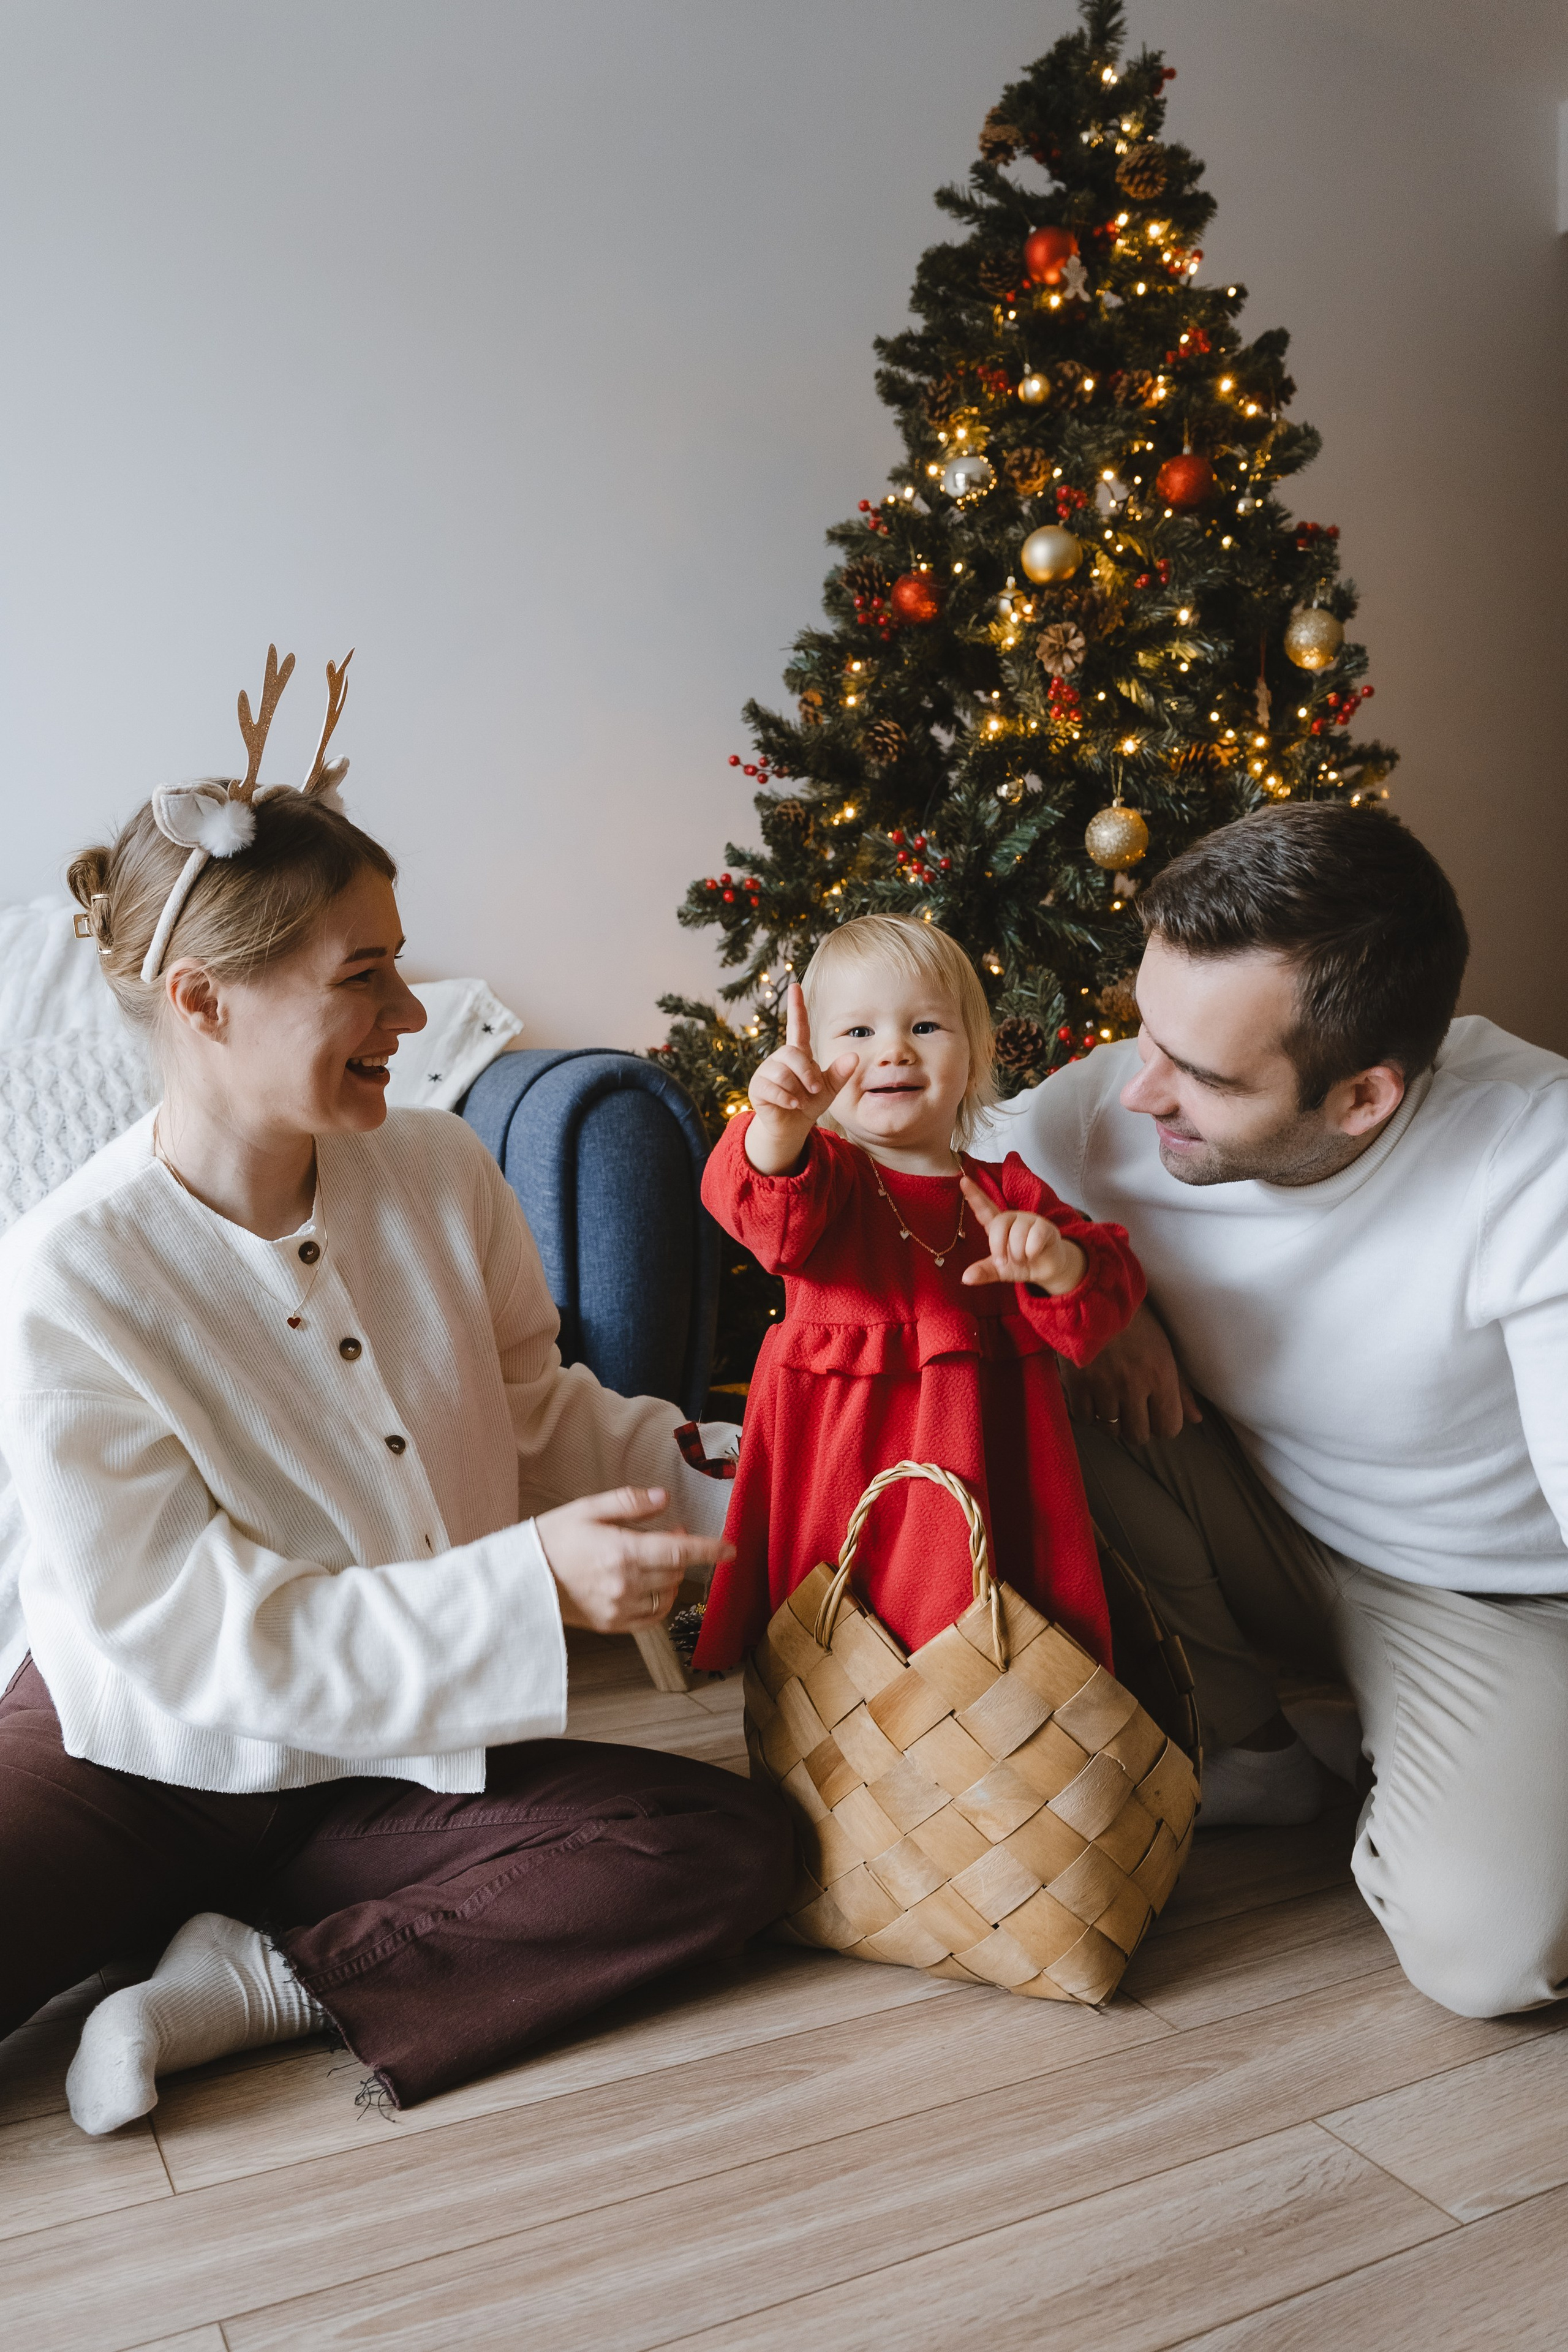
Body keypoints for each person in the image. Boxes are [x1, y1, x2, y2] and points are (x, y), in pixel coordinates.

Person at [0, 646, 790, 2137]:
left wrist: (765, 1467)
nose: (412, 1017)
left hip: (382, 1755)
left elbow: (540, 1421)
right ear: (203, 1001)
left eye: (398, 965)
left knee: (720, 1844)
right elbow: (188, 1643)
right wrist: (524, 1590)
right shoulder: (68, 1273)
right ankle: (184, 1899)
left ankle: (260, 1974)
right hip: (139, 1752)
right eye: (365, 981)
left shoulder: (435, 1169)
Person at [981, 799, 1568, 2019]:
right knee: (1009, 1358)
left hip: (1492, 1599)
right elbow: (909, 1179)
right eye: (1141, 1032)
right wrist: (1093, 1291)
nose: (1139, 1094)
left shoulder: (1533, 1157)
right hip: (1262, 1520)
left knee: (1486, 1959)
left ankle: (1433, 1759)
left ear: (1361, 1098)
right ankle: (1256, 1754)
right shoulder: (1110, 1109)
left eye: (1197, 1075)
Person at [692, 915, 1144, 1672]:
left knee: (997, 1640)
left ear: (974, 1057)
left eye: (926, 1026)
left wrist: (1057, 1264)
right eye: (858, 1032)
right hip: (847, 1458)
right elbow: (761, 1214)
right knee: (844, 1638)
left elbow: (1108, 1288)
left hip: (992, 1459)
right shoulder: (824, 1176)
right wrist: (774, 1127)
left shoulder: (1007, 1191)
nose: (893, 1050)